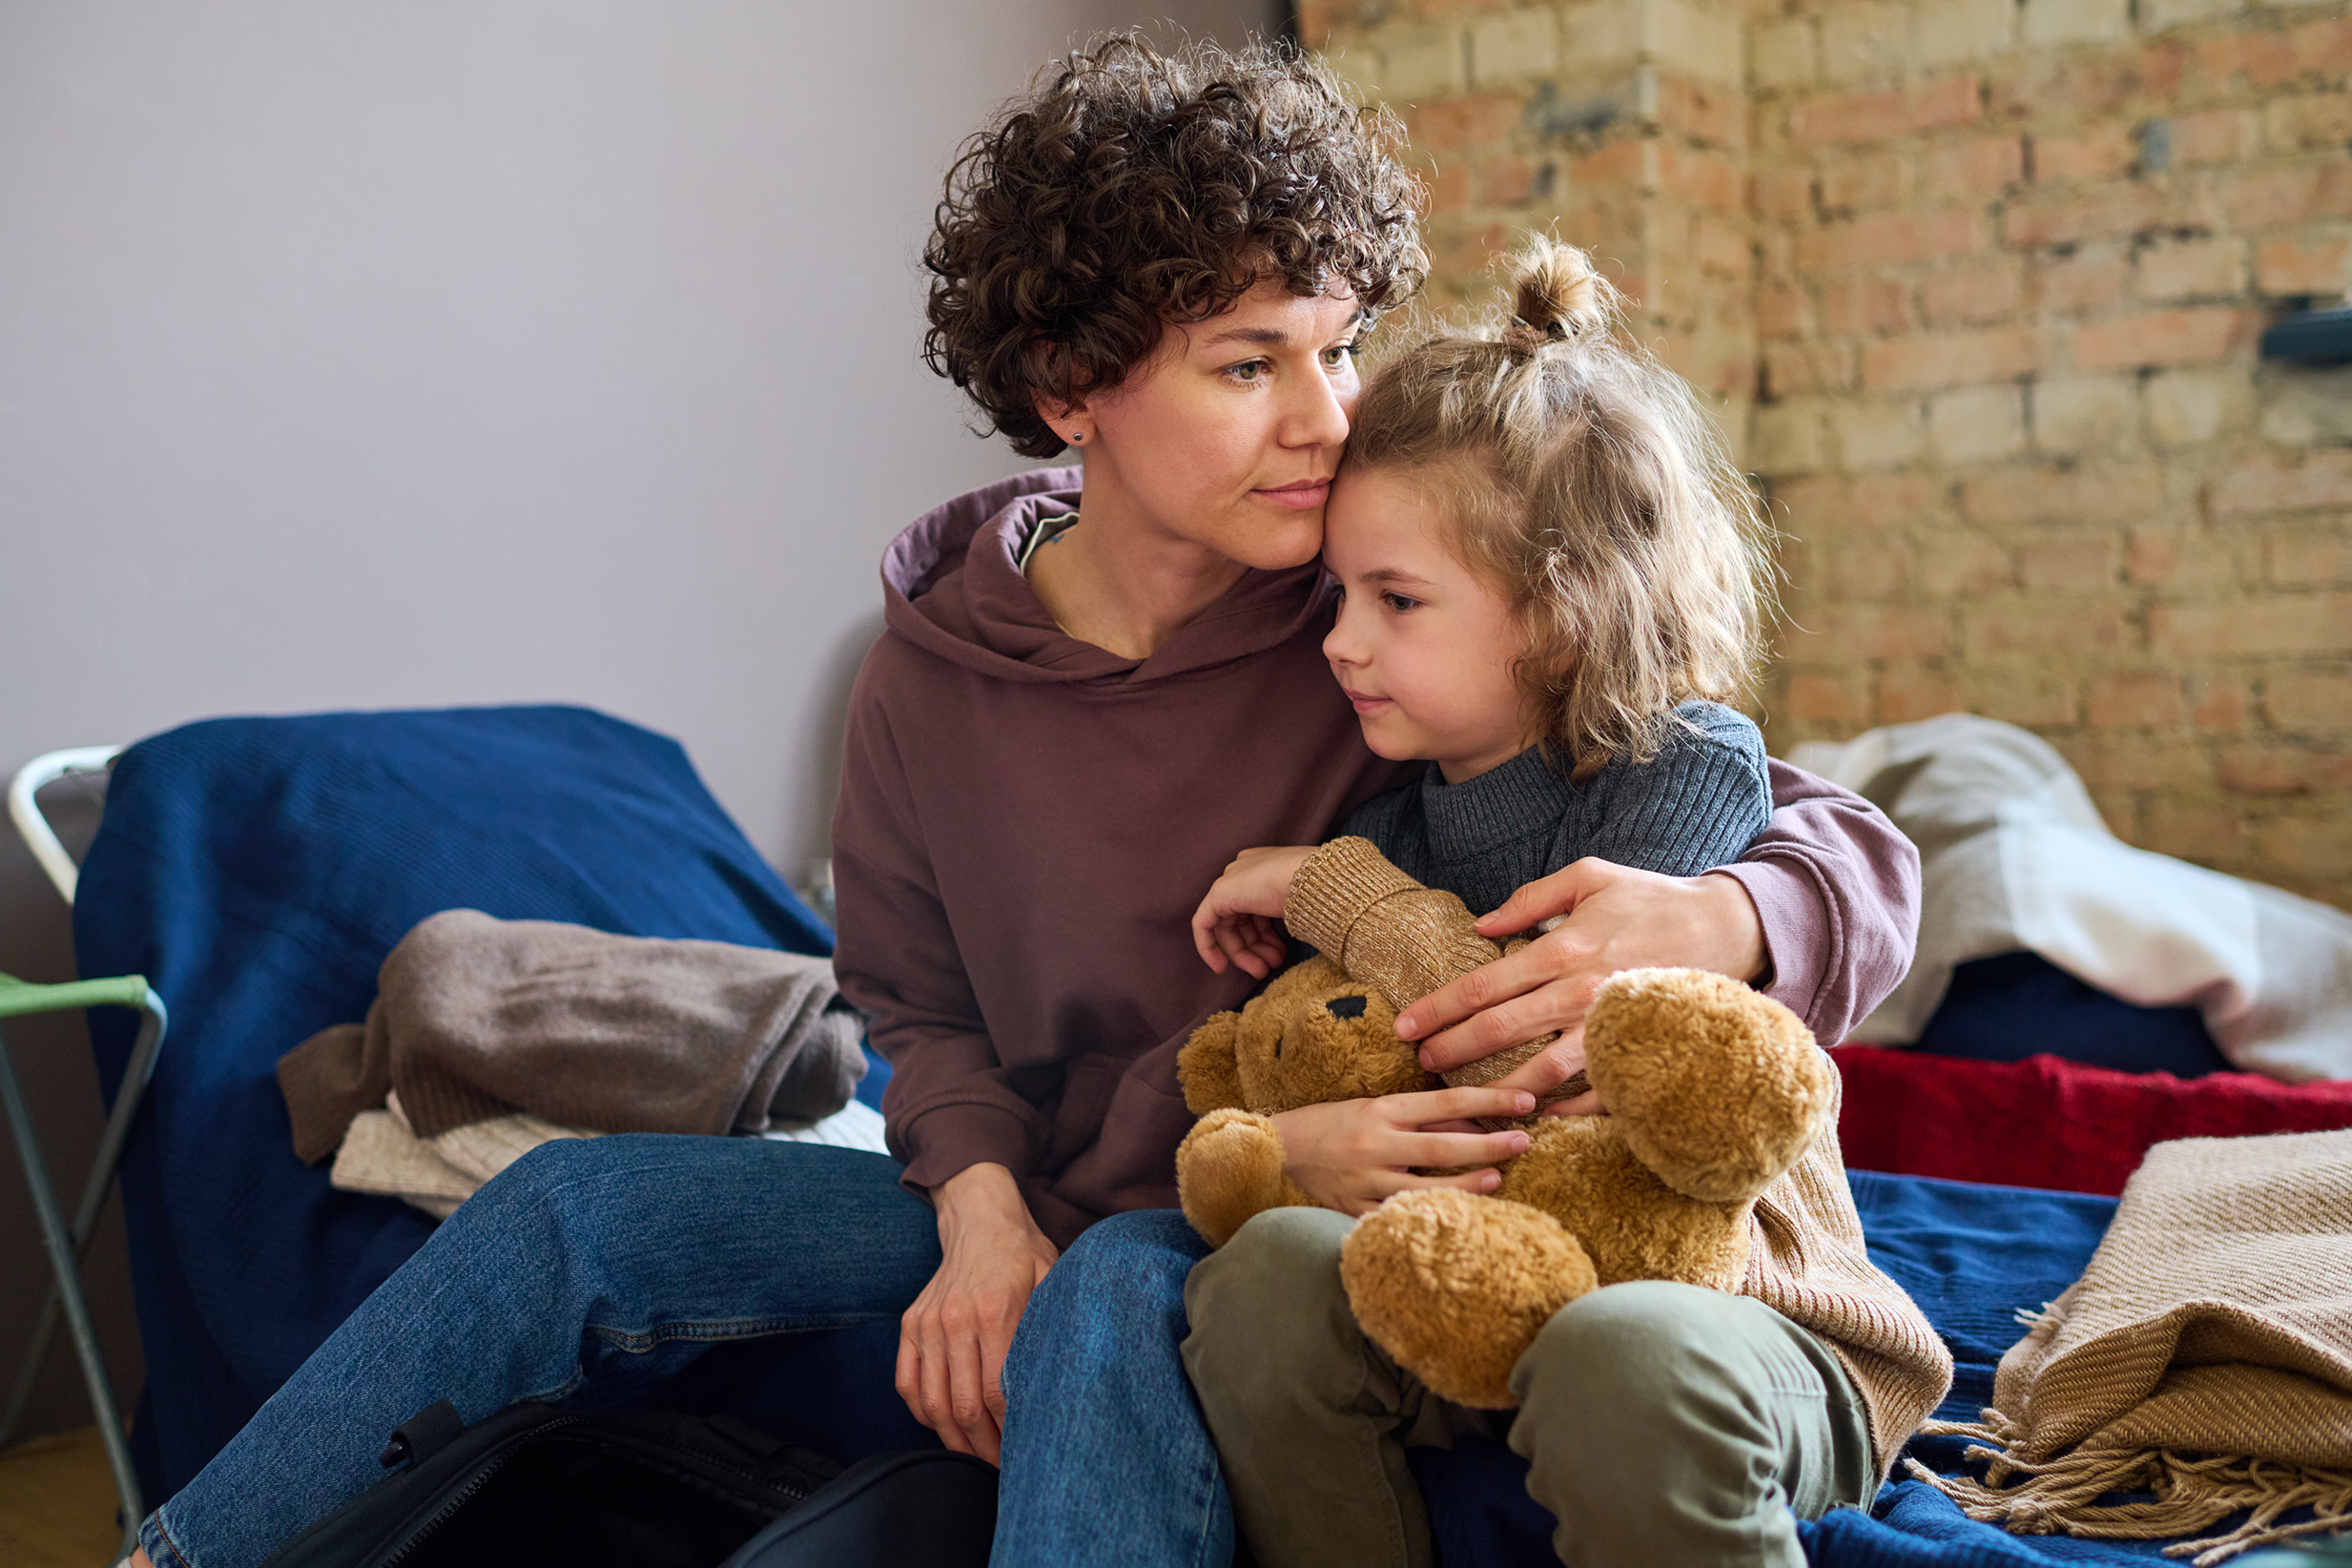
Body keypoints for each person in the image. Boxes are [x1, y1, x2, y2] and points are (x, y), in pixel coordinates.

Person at [126, 39, 1921, 1568]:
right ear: (1072, 396)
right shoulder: (927, 679)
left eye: (1340, 345)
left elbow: (1785, 803)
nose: (1327, 417)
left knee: (1114, 1301)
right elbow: (913, 1006)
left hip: (1217, 1204)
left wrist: (1729, 914)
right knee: (574, 1212)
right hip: (1028, 1177)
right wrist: (976, 1209)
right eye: (1249, 363)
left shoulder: (1372, 611)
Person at [1177, 240, 1950, 1568]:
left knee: (1621, 1349)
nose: (1339, 642)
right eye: (1338, 595)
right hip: (1469, 1293)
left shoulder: (1678, 762)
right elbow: (1359, 1056)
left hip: (1731, 1312)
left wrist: (1333, 893)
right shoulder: (1387, 819)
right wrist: (1290, 1141)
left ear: (1559, 617)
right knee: (1258, 1277)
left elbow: (1540, 1049)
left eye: (1395, 601)